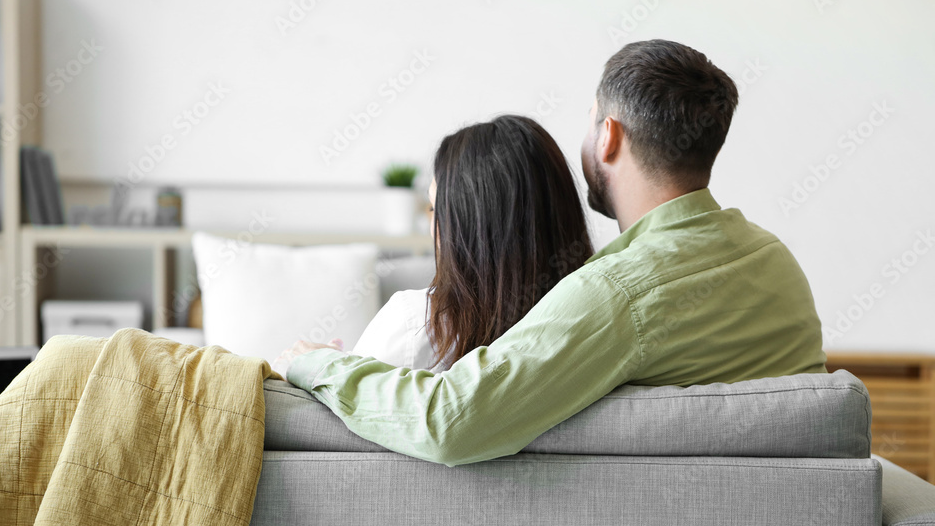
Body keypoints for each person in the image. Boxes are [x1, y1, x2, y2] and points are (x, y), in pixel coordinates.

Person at [273, 39, 827, 467]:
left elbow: (449, 422)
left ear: (608, 136)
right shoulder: (775, 261)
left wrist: (317, 363)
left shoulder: (616, 294)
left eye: (589, 121)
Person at [352, 115, 593, 372]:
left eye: (435, 208)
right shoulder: (597, 324)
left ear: (468, 227)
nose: (432, 226)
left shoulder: (415, 323)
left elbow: (341, 403)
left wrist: (326, 364)